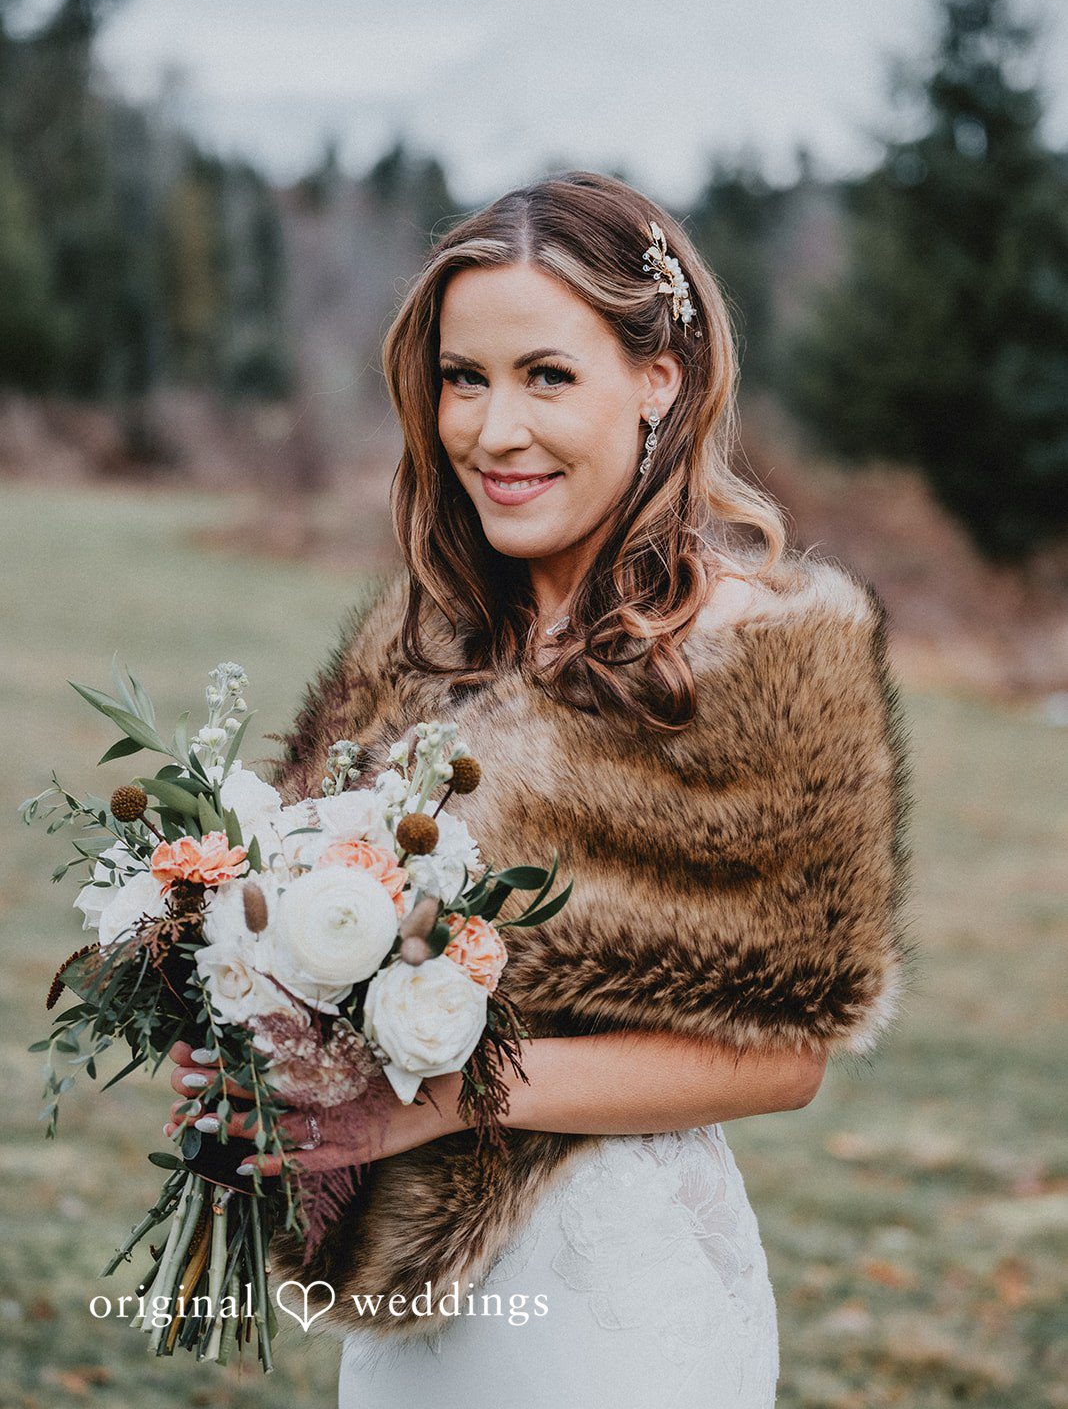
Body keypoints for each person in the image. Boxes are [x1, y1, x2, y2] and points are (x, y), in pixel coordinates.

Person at [166, 170, 909, 1407]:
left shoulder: (768, 653)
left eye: (547, 376)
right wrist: (247, 1033)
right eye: (466, 378)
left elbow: (783, 1055)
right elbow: (307, 918)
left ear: (657, 380)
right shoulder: (423, 645)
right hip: (412, 1315)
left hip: (612, 1297)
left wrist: (432, 1104)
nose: (493, 429)